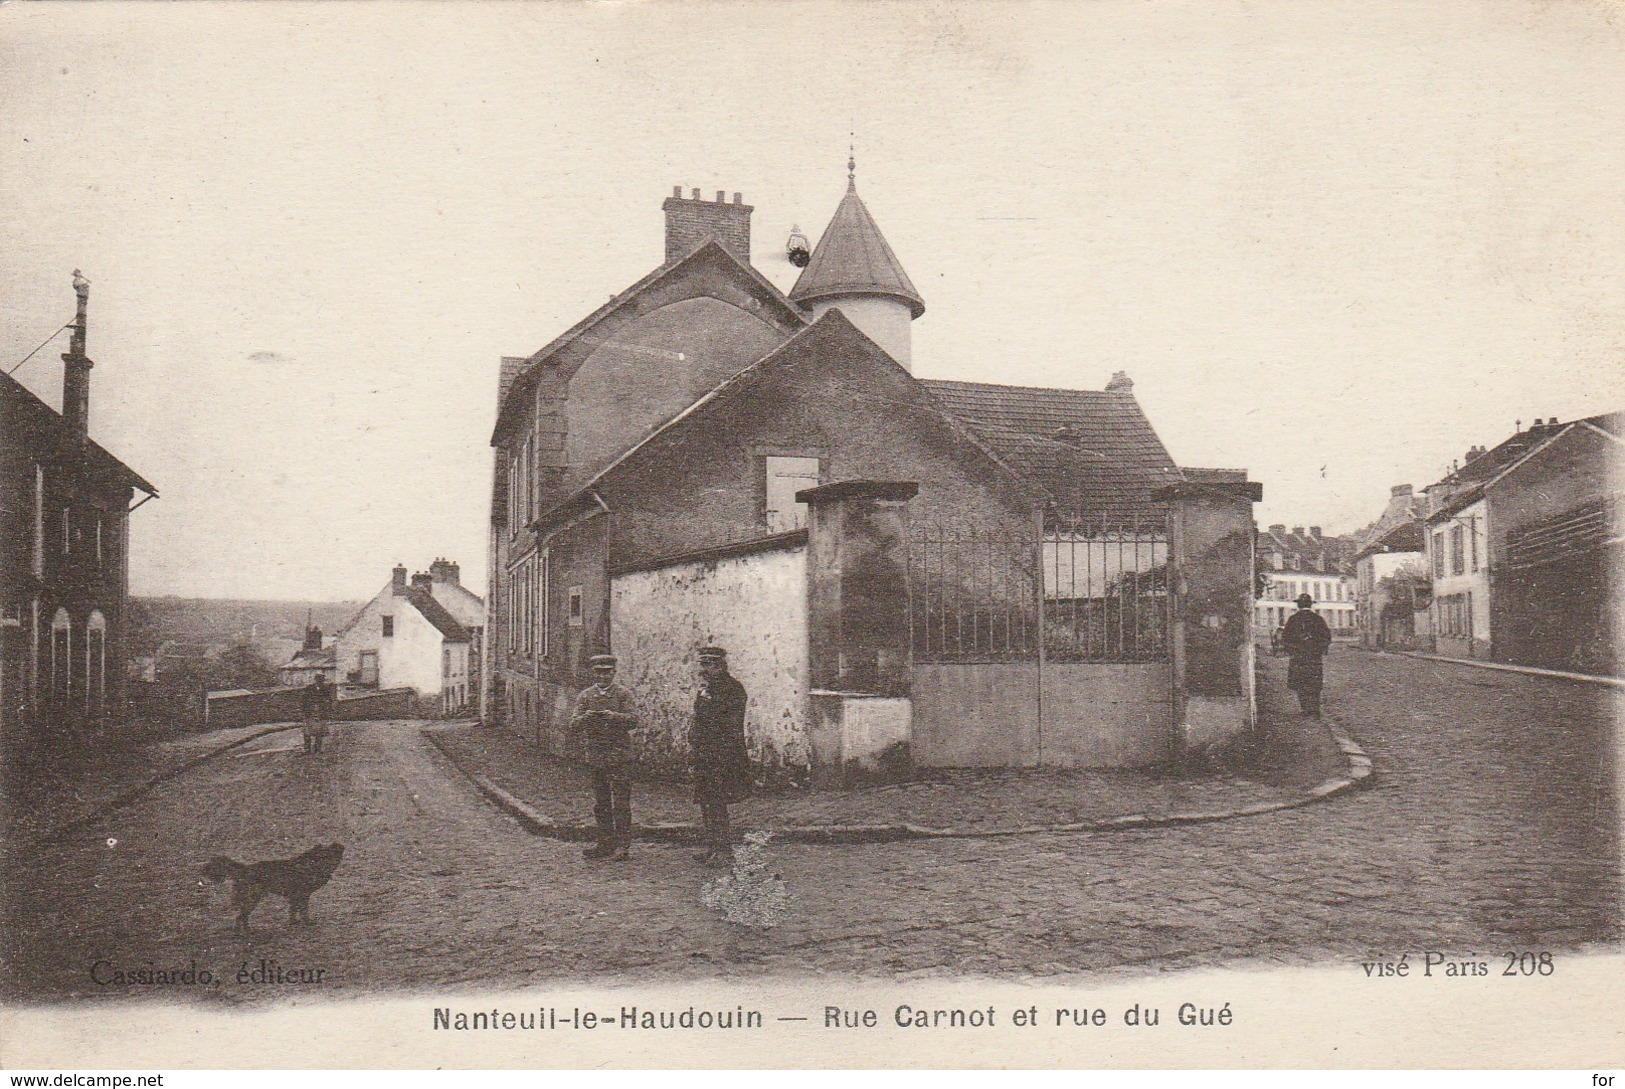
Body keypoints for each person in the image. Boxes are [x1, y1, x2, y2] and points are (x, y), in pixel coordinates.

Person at [568, 654, 640, 862]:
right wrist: (586, 718)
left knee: (620, 802)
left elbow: (634, 719)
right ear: (594, 673)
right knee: (601, 802)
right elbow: (573, 724)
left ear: (613, 673)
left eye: (606, 672)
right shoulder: (586, 696)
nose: (602, 676)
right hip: (597, 755)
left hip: (619, 756)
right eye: (598, 672)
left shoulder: (622, 695)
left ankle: (622, 846)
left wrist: (613, 716)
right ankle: (604, 843)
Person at [689, 646, 752, 866]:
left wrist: (707, 702)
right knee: (707, 801)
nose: (704, 670)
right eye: (703, 665)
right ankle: (713, 847)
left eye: (708, 665)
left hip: (724, 754)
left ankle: (724, 851)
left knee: (717, 802)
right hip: (705, 754)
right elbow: (699, 718)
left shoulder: (732, 689)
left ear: (719, 665)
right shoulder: (707, 688)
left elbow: (727, 723)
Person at [1281, 593, 1333, 716]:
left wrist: (1293, 651)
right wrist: (1319, 650)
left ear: (1298, 605)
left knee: (1301, 683)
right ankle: (1314, 709)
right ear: (1310, 605)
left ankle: (1305, 709)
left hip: (1298, 658)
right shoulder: (1318, 619)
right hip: (1314, 658)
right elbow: (1326, 637)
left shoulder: (1293, 619)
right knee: (1314, 683)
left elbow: (1285, 639)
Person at [300, 673, 334, 754]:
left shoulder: (325, 689)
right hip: (310, 712)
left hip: (321, 712)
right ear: (315, 680)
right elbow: (304, 700)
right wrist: (304, 710)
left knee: (320, 731)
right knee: (307, 731)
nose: (320, 681)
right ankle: (307, 749)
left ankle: (317, 748)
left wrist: (328, 707)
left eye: (321, 680)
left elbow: (329, 700)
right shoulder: (309, 688)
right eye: (318, 679)